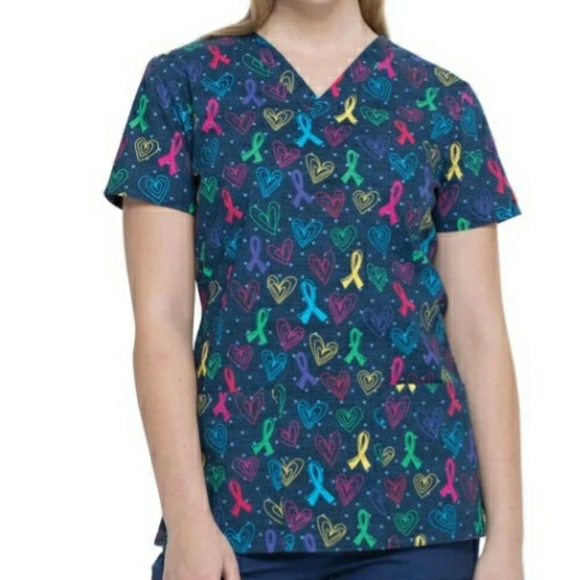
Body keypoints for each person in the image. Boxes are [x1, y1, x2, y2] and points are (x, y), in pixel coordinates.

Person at [102, 1, 525, 579]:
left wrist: (507, 541)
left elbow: (479, 331)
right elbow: (160, 322)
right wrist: (188, 520)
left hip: (420, 518)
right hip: (236, 517)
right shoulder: (183, 85)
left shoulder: (443, 103)